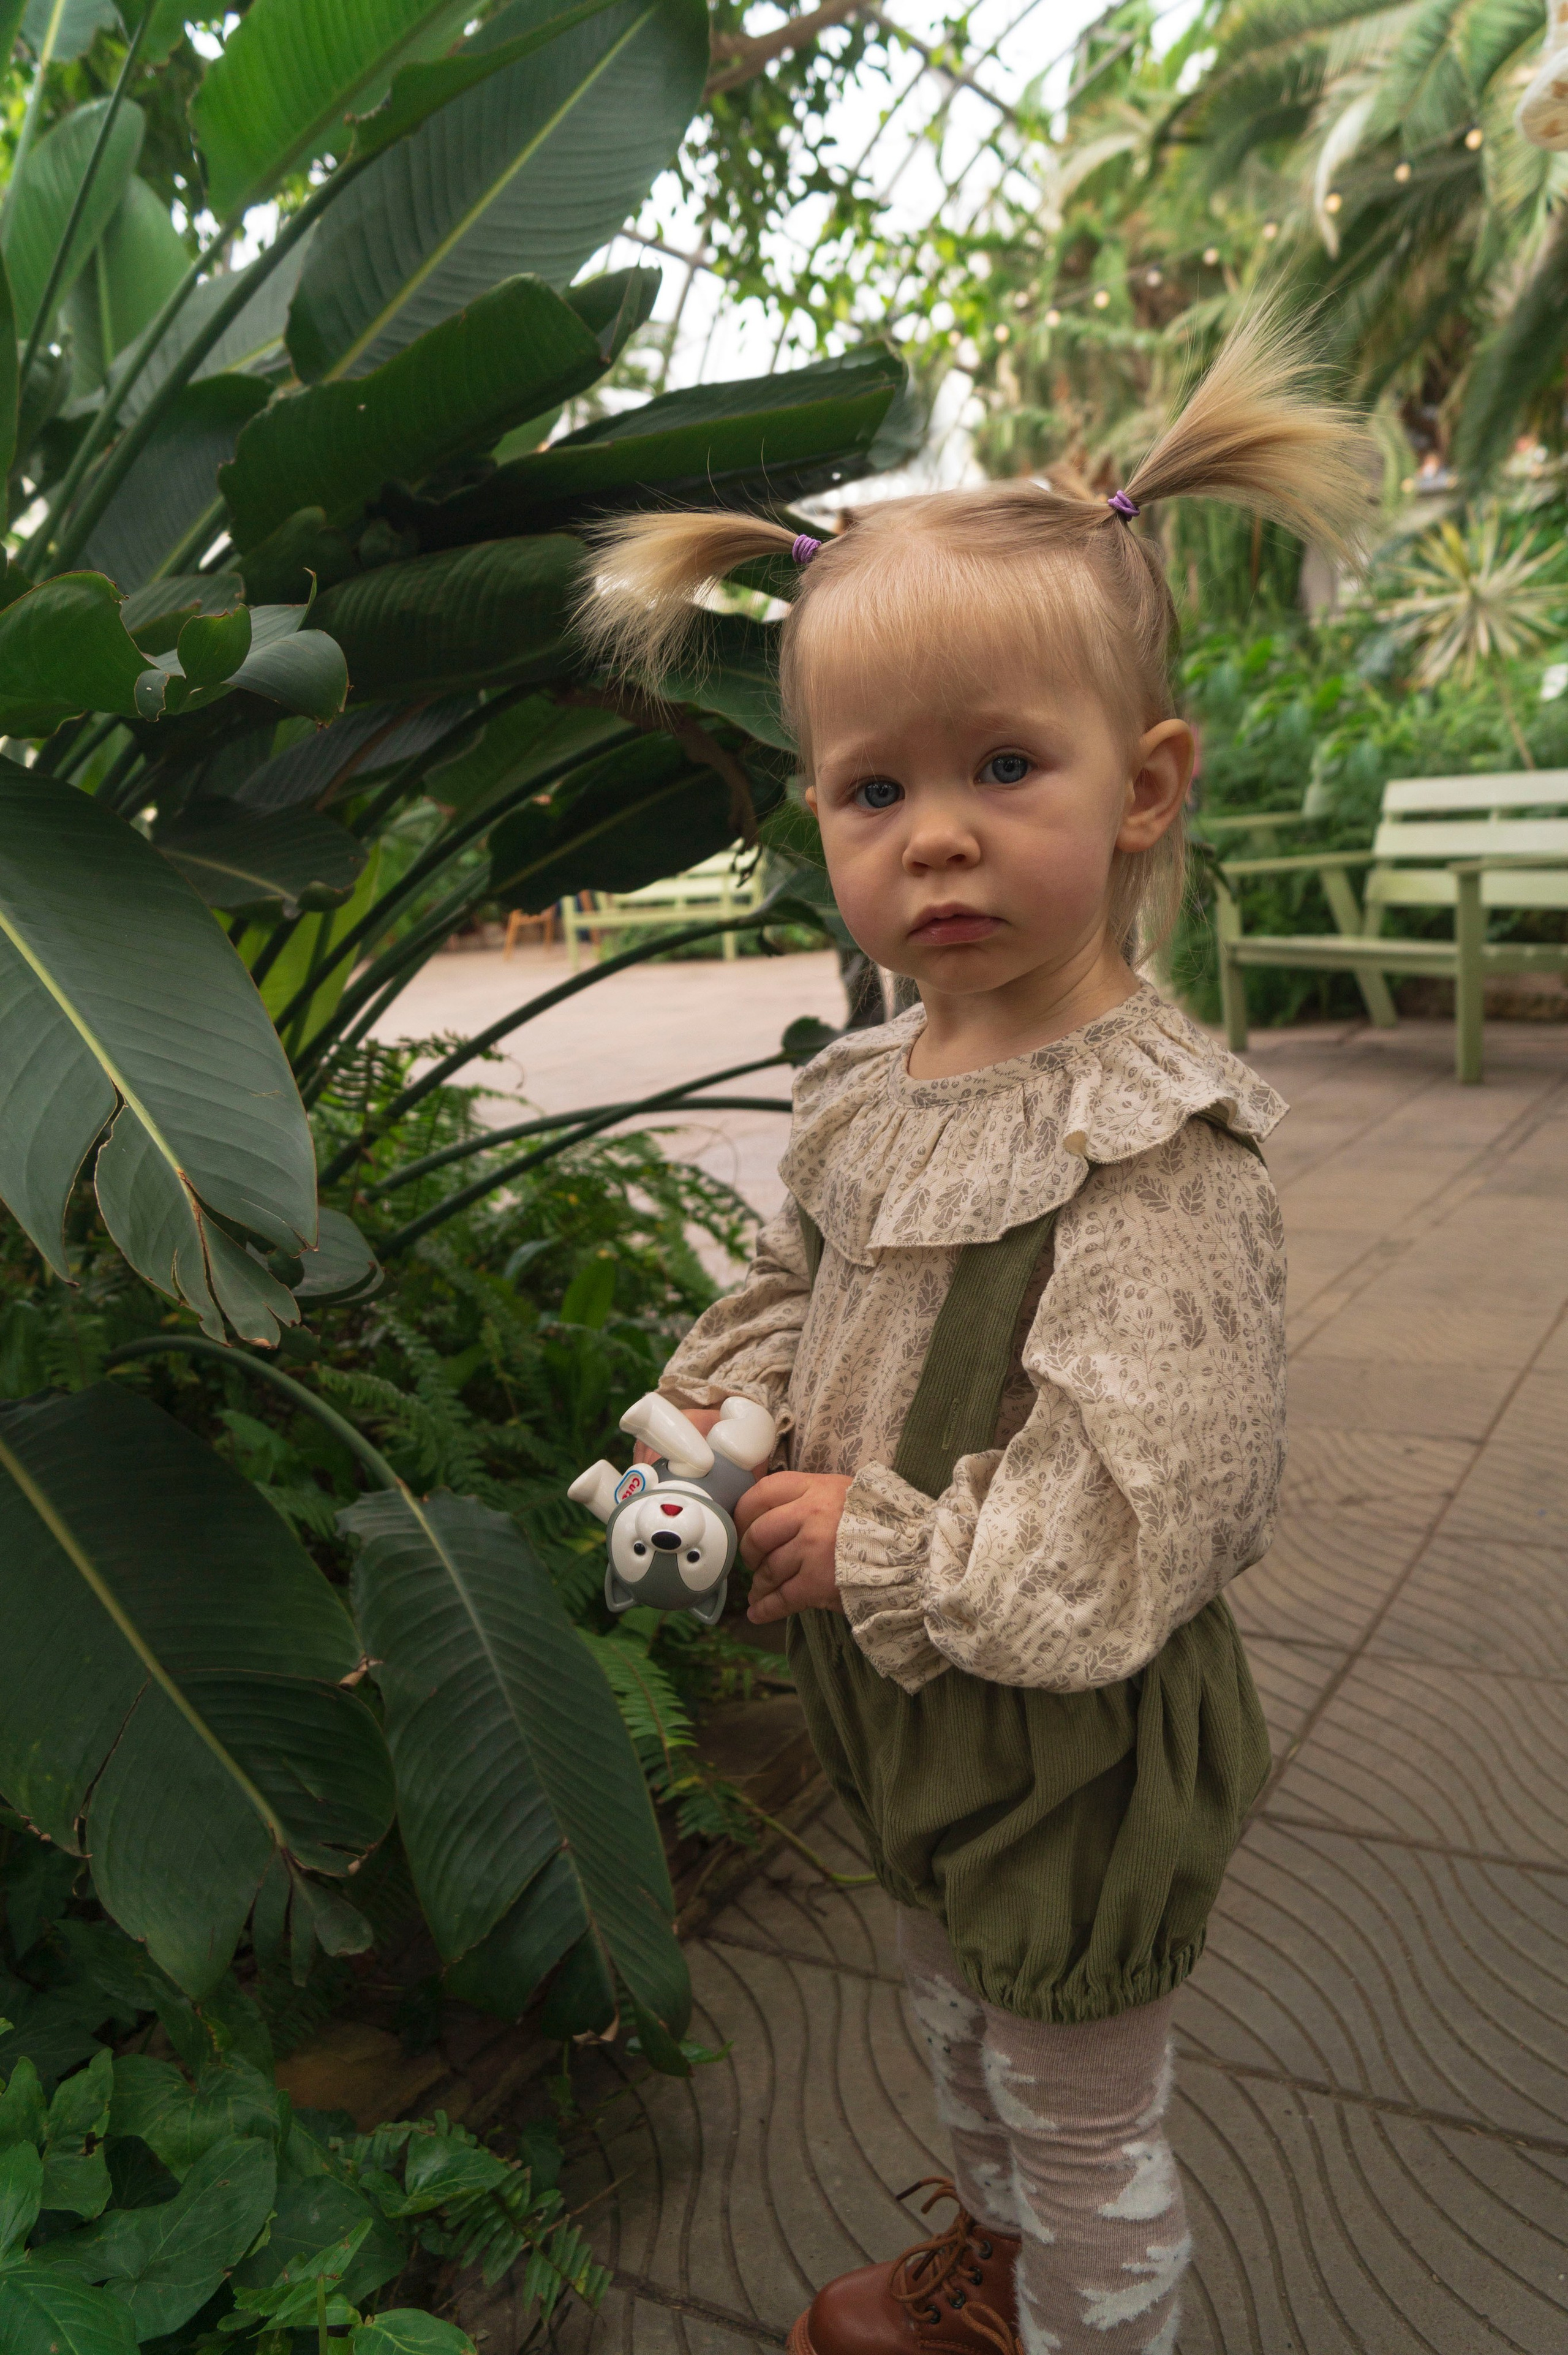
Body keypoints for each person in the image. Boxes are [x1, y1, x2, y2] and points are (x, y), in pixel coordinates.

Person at [580, 314, 1373, 2355]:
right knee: (959, 2030)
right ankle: (991, 2283)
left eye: (1003, 766)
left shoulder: (1152, 1146)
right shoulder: (877, 1091)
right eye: (873, 788)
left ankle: (1093, 2315)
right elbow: (804, 1289)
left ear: (1143, 785)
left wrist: (882, 1546)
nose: (933, 833)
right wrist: (721, 1419)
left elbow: (1147, 1512)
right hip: (924, 1715)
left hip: (1076, 1744)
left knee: (1091, 2114)